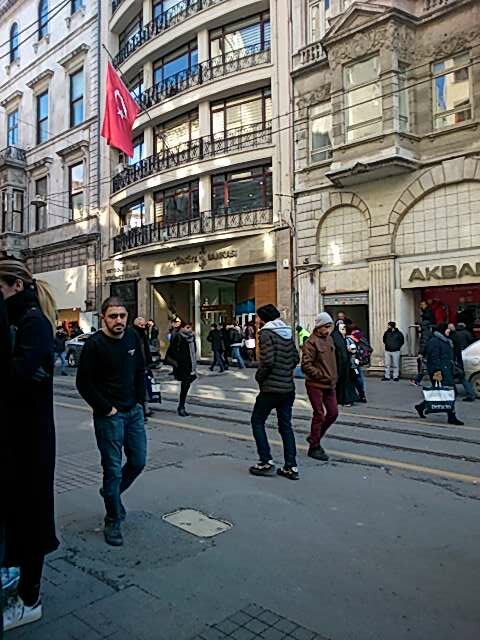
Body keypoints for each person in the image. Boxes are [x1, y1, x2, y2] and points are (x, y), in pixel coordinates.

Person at [0, 258, 59, 632]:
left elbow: (16, 376)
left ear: (16, 286)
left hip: (32, 442)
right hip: (19, 439)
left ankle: (30, 599)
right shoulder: (20, 320)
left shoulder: (33, 322)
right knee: (20, 515)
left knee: (32, 516)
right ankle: (18, 577)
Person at [76, 296, 146, 547]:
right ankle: (113, 518)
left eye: (122, 316)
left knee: (138, 461)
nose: (119, 320)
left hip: (133, 412)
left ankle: (110, 493)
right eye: (113, 316)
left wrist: (141, 402)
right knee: (113, 470)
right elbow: (83, 383)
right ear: (103, 318)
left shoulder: (132, 337)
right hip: (110, 417)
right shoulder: (94, 345)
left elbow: (140, 370)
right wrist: (107, 409)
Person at [249, 304, 300, 480]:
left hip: (271, 388)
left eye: (258, 317)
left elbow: (268, 361)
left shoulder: (266, 333)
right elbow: (295, 358)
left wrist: (259, 377)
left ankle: (266, 461)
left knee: (257, 421)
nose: (257, 320)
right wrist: (285, 372)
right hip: (288, 388)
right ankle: (291, 466)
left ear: (263, 318)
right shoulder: (286, 332)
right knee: (285, 426)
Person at [301, 312, 338, 461]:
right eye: (326, 326)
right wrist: (321, 375)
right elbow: (306, 365)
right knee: (319, 414)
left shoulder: (329, 339)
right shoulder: (311, 342)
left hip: (330, 384)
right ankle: (314, 445)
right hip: (315, 384)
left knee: (333, 413)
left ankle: (314, 437)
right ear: (319, 326)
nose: (328, 330)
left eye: (330, 326)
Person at [414, 322, 463, 425]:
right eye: (447, 329)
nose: (449, 331)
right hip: (439, 371)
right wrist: (437, 372)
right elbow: (433, 358)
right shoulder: (435, 341)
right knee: (448, 391)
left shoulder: (446, 340)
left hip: (447, 369)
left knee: (443, 392)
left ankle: (421, 406)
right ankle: (451, 416)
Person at [164, 320, 197, 416]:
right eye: (187, 327)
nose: (189, 329)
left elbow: (194, 350)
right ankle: (181, 407)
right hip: (182, 365)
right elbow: (172, 351)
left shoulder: (192, 338)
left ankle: (181, 406)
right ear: (182, 328)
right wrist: (181, 359)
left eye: (190, 327)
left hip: (191, 365)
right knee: (185, 384)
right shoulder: (178, 336)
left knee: (188, 383)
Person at [331, 321, 358, 406]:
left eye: (345, 328)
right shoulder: (337, 338)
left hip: (344, 365)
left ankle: (345, 399)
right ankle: (345, 399)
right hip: (341, 365)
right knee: (344, 383)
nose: (344, 330)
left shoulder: (342, 338)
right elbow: (340, 352)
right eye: (342, 329)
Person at [448, 323, 475, 402]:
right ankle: (470, 393)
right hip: (463, 356)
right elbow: (471, 341)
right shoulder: (466, 333)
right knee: (462, 377)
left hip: (454, 359)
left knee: (451, 377)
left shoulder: (452, 336)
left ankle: (454, 393)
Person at [133, 317, 154, 418]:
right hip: (136, 366)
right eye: (140, 325)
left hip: (144, 366)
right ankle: (142, 410)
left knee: (144, 387)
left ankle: (144, 408)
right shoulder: (133, 335)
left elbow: (146, 349)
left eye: (143, 325)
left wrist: (149, 362)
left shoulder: (143, 335)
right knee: (140, 388)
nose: (143, 327)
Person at [347, 329, 371, 402]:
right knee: (359, 378)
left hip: (353, 363)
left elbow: (352, 351)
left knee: (356, 379)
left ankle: (358, 395)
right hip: (358, 362)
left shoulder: (349, 340)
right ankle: (361, 395)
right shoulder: (362, 340)